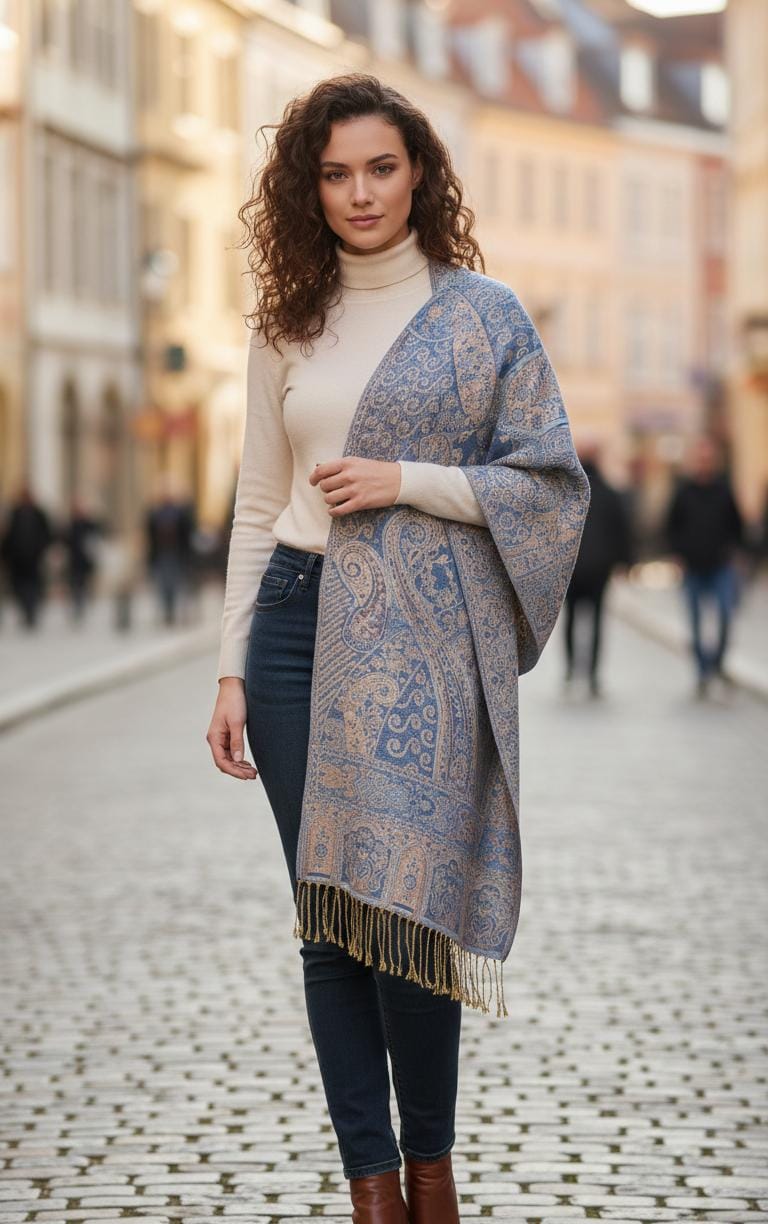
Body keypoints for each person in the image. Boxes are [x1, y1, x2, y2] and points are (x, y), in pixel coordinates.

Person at [206, 73, 588, 1224]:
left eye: (381, 167)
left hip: (421, 643)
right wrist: (228, 667)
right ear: (305, 189)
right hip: (291, 624)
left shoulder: (486, 316)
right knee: (330, 918)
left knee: (409, 920)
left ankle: (433, 1173)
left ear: (417, 170)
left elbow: (551, 481)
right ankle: (374, 1190)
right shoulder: (287, 324)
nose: (360, 192)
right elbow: (255, 500)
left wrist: (407, 482)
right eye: (334, 173)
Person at [663, 434, 745, 697]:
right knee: (696, 623)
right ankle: (702, 671)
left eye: (708, 458)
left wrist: (736, 553)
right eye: (700, 458)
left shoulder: (724, 489)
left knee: (724, 615)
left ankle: (717, 663)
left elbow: (737, 526)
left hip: (721, 566)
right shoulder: (683, 491)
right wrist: (676, 555)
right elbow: (670, 526)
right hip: (692, 568)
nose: (704, 463)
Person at [563, 440, 634, 697]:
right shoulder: (610, 492)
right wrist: (625, 563)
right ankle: (591, 674)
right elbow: (623, 531)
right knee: (595, 622)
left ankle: (572, 670)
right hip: (600, 570)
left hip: (572, 570)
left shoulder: (568, 494)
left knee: (571, 620)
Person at [0, 484, 54, 629]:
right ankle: (25, 611)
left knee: (34, 587)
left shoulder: (39, 514)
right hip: (17, 559)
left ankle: (32, 613)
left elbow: (48, 534)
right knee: (19, 588)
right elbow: (8, 536)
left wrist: (42, 549)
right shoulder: (15, 513)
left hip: (34, 558)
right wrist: (5, 554)